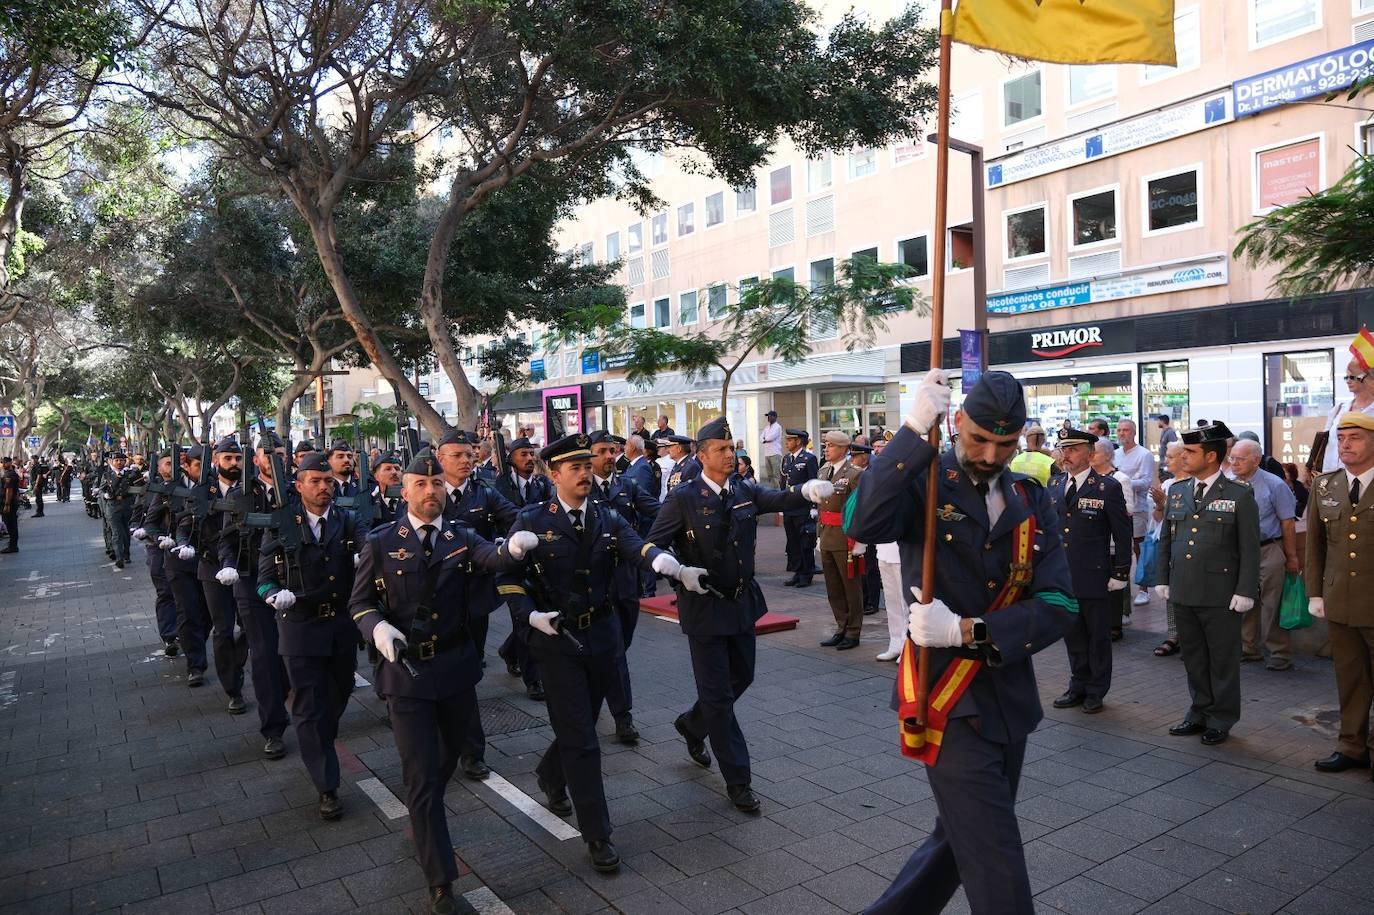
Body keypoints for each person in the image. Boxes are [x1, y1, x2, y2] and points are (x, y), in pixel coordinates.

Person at [848, 370, 1076, 915]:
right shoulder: (925, 482)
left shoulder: (1030, 497)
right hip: (945, 698)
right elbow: (862, 520)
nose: (992, 454)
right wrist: (909, 431)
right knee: (994, 850)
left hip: (1008, 694)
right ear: (955, 423)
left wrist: (970, 630)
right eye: (979, 439)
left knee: (961, 840)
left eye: (1006, 443)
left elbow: (1061, 603)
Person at [501, 433, 705, 871]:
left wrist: (671, 566)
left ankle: (551, 775)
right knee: (582, 738)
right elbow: (508, 577)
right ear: (553, 474)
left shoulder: (608, 517)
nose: (584, 474)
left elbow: (638, 548)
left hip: (601, 635)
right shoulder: (532, 520)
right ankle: (598, 835)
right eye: (573, 468)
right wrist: (528, 615)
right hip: (556, 642)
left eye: (586, 467)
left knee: (583, 722)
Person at [350, 451, 528, 914]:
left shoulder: (462, 536)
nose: (431, 492)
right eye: (421, 484)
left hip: (454, 670)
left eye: (437, 485)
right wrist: (377, 627)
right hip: (405, 675)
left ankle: (426, 824)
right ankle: (440, 877)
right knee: (423, 778)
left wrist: (510, 550)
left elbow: (491, 557)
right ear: (403, 490)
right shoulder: (381, 542)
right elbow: (360, 602)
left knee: (447, 760)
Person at [648, 417, 830, 815]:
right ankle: (739, 780)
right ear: (701, 455)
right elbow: (653, 544)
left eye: (732, 449)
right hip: (705, 605)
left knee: (740, 678)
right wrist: (677, 571)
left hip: (741, 603)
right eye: (722, 450)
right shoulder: (683, 498)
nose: (730, 455)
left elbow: (778, 499)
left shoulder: (743, 489)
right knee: (718, 697)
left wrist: (806, 491)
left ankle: (692, 725)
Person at [257, 451, 359, 818]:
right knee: (308, 707)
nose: (324, 487)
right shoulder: (281, 524)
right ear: (298, 486)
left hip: (341, 628)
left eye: (328, 481)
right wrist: (272, 596)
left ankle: (321, 742)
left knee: (340, 693)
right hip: (300, 628)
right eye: (315, 481)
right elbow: (263, 579)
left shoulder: (347, 521)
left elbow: (369, 548)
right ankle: (326, 785)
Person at [1156, 421, 1261, 746]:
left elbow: (1249, 548)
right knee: (1194, 657)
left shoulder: (1239, 495)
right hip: (1184, 589)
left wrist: (1245, 590)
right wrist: (1163, 578)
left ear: (1212, 456)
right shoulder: (1177, 490)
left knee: (1222, 660)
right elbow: (1166, 540)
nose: (1182, 456)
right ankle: (1199, 710)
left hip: (1221, 594)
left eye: (1190, 451)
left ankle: (1222, 717)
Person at [436, 428, 519, 778]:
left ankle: (472, 751)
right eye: (458, 456)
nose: (467, 461)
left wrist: (503, 543)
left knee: (468, 671)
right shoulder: (426, 491)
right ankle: (440, 745)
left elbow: (518, 518)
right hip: (435, 596)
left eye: (470, 455)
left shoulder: (485, 492)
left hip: (474, 595)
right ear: (441, 459)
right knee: (438, 674)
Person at [217, 433, 293, 759]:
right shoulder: (242, 494)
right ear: (257, 458)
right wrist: (228, 565)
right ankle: (273, 727)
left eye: (281, 453)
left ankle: (289, 697)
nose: (277, 459)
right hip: (250, 581)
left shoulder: (297, 489)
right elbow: (226, 539)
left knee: (292, 656)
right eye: (269, 454)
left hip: (294, 579)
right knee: (264, 655)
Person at [1307, 412, 1374, 776]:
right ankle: (1351, 745)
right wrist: (1315, 592)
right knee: (1350, 679)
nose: (1345, 444)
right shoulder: (1325, 486)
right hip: (1340, 603)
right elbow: (1315, 547)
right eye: (1341, 437)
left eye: (1355, 437)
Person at [1049, 429, 1131, 714]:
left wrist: (1120, 573)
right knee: (1073, 635)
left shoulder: (1106, 487)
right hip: (1064, 576)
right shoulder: (1056, 483)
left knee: (1097, 637)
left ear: (1089, 453)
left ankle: (1096, 690)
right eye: (1063, 449)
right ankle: (1077, 684)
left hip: (1095, 574)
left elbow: (1122, 534)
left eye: (1072, 449)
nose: (1066, 455)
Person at [586, 430, 660, 740]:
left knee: (619, 646)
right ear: (589, 456)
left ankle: (601, 692)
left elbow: (660, 513)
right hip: (595, 583)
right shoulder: (578, 489)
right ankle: (622, 716)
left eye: (612, 450)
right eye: (601, 450)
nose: (608, 456)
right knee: (614, 650)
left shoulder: (627, 486)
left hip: (626, 580)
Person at [175, 438, 250, 712]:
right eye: (228, 458)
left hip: (245, 567)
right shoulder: (203, 492)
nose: (234, 463)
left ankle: (237, 661)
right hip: (212, 566)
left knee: (252, 628)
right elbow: (185, 522)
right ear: (216, 460)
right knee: (223, 628)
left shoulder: (249, 490)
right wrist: (184, 543)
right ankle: (233, 689)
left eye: (237, 458)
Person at [1228, 439, 1299, 671]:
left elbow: (1287, 523)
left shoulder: (1274, 484)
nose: (1234, 463)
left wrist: (1291, 557)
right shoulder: (1228, 483)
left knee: (1272, 602)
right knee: (1244, 598)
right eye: (1232, 458)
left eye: (1240, 458)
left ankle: (1279, 652)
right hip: (1239, 551)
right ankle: (1248, 647)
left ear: (1256, 460)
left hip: (1269, 548)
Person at [492, 435, 554, 696]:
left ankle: (508, 651)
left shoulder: (542, 484)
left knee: (530, 616)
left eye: (531, 454)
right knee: (523, 618)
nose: (529, 459)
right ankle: (533, 679)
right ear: (511, 459)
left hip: (540, 557)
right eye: (523, 454)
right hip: (513, 559)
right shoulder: (499, 485)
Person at [163, 446, 212, 685]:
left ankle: (196, 643)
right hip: (178, 561)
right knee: (188, 611)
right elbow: (149, 519)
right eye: (199, 466)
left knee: (208, 614)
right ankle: (196, 664)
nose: (204, 471)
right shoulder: (173, 488)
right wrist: (161, 538)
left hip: (209, 559)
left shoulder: (214, 487)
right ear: (187, 465)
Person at [816, 431, 866, 650]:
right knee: (833, 587)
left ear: (844, 449)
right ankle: (841, 626)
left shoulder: (854, 474)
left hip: (845, 537)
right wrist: (819, 534)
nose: (827, 449)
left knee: (850, 586)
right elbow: (821, 506)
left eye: (831, 446)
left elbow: (861, 508)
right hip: (827, 534)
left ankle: (853, 631)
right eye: (826, 445)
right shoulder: (823, 470)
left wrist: (859, 539)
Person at [130, 449, 181, 657]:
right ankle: (170, 636)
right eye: (167, 463)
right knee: (165, 592)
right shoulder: (151, 489)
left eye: (175, 463)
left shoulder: (186, 486)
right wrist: (138, 529)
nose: (172, 467)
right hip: (157, 547)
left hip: (183, 546)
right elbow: (138, 514)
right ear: (159, 467)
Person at [1091, 439, 1136, 641]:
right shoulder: (1089, 478)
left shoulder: (1120, 478)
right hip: (1092, 542)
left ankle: (1114, 626)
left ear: (1108, 455)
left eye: (1096, 452)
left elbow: (1127, 510)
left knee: (1114, 587)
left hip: (1111, 542)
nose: (1092, 456)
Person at [1149, 442, 1189, 657]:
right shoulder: (1168, 485)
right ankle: (1174, 635)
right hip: (1169, 547)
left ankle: (1190, 637)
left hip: (1190, 547)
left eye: (1170, 457)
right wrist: (1160, 505)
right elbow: (1157, 520)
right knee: (1170, 592)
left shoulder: (1195, 484)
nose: (1166, 461)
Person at [1114, 419, 1156, 612]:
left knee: (1139, 548)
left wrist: (1122, 482)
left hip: (1137, 508)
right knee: (1121, 548)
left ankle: (1143, 588)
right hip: (1117, 508)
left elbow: (1146, 481)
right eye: (1120, 430)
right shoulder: (1114, 454)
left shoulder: (1144, 454)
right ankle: (1123, 585)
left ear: (1134, 432)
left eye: (1126, 430)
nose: (1123, 433)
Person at [1320, 358, 1374, 473]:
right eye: (1346, 377)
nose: (1348, 381)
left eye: (1353, 377)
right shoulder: (1338, 409)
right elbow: (1326, 442)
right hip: (1332, 476)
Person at [780, 429, 819, 588]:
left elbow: (813, 483)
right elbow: (783, 483)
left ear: (798, 441)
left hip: (803, 507)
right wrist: (780, 503)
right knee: (793, 543)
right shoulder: (787, 459)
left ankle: (806, 574)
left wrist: (813, 507)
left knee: (805, 543)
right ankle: (797, 572)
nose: (786, 443)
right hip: (789, 506)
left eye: (790, 440)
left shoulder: (809, 458)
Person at [1, 456, 20, 553]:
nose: (3, 465)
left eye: (4, 463)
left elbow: (9, 490)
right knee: (11, 524)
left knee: (11, 525)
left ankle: (13, 546)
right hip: (12, 502)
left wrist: (7, 504)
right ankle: (12, 545)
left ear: (9, 463)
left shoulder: (9, 475)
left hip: (9, 503)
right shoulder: (10, 473)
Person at [760, 410, 783, 488]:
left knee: (776, 474)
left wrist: (765, 439)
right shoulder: (766, 427)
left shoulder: (778, 427)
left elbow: (771, 437)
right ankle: (772, 491)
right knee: (769, 475)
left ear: (775, 417)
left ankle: (778, 491)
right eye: (768, 416)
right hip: (767, 453)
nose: (768, 418)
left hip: (775, 453)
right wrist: (764, 439)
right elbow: (761, 437)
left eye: (770, 416)